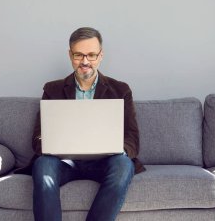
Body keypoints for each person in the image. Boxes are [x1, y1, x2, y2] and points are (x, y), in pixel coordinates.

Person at [31, 27, 145, 221]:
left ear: (101, 56)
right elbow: (37, 137)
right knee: (43, 165)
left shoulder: (121, 90)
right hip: (64, 162)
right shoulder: (52, 89)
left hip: (104, 162)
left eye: (91, 55)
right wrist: (50, 144)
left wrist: (116, 148)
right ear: (70, 55)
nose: (85, 61)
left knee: (124, 165)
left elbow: (132, 138)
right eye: (79, 55)